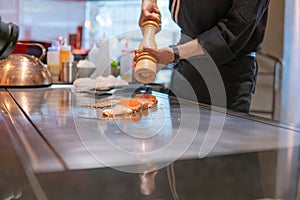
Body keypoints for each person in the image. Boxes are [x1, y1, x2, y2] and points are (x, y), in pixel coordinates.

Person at [134, 0, 270, 113]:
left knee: (221, 143)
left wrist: (173, 54)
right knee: (179, 141)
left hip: (228, 77)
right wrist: (149, 3)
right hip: (184, 69)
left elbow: (230, 34)